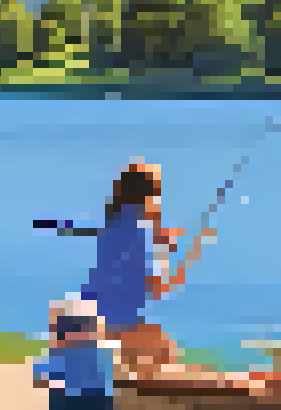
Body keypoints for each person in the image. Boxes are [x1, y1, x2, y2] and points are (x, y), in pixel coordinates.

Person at [83, 161, 204, 376]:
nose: (159, 202)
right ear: (148, 197)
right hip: (114, 324)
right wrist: (186, 260)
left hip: (94, 314)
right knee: (165, 353)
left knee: (153, 353)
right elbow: (158, 289)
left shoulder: (115, 223)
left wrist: (159, 236)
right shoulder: (139, 234)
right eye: (157, 194)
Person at [34, 300, 119, 410]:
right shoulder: (103, 349)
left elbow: (42, 378)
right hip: (101, 403)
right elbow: (113, 377)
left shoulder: (60, 352)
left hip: (74, 404)